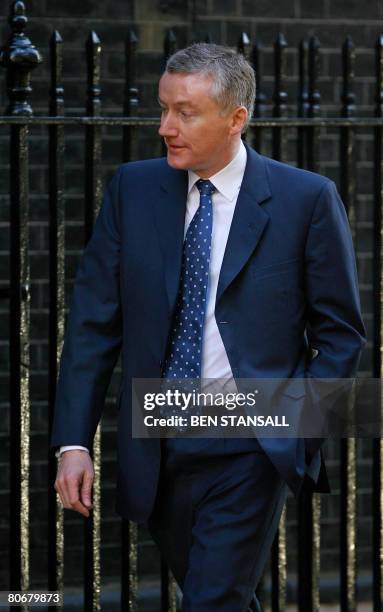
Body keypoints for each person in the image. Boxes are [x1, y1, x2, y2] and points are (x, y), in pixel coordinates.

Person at [51, 43, 366, 611]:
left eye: (185, 112)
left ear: (235, 119)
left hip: (251, 440)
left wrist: (300, 431)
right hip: (159, 435)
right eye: (164, 108)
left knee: (212, 601)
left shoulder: (306, 199)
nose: (166, 126)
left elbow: (341, 332)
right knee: (215, 595)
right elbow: (95, 324)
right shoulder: (133, 189)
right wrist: (73, 441)